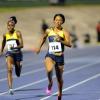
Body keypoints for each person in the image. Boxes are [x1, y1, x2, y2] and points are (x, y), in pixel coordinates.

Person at [34, 14, 71, 100]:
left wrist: (61, 40)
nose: (58, 22)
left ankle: (60, 94)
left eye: (60, 20)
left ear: (62, 22)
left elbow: (69, 44)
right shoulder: (48, 31)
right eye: (56, 20)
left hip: (60, 56)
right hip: (50, 54)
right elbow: (43, 38)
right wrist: (39, 47)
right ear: (54, 21)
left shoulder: (65, 32)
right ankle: (50, 82)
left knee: (59, 78)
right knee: (49, 70)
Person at [0, 16, 23, 95]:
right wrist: (2, 50)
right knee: (9, 69)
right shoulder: (5, 35)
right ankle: (10, 88)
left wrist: (15, 47)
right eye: (9, 25)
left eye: (12, 25)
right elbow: (3, 42)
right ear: (7, 26)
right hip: (9, 53)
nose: (10, 27)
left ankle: (19, 66)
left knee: (18, 73)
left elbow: (22, 45)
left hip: (17, 53)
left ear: (14, 26)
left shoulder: (17, 33)